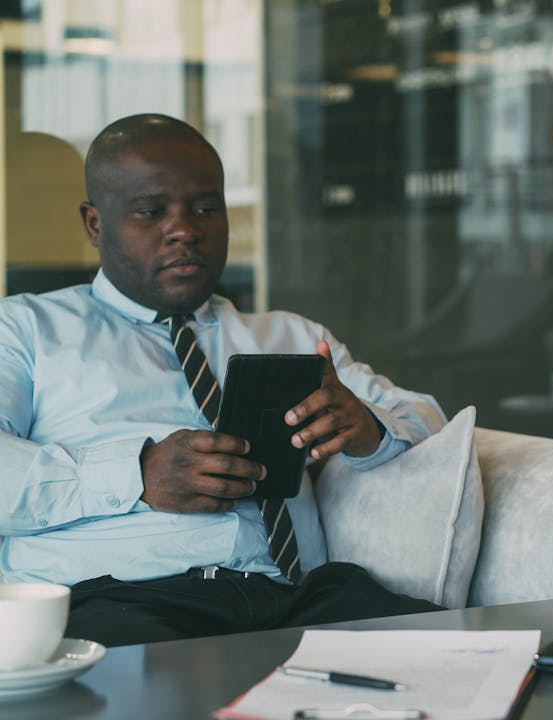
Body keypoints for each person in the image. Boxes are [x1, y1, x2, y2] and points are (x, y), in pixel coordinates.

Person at [0, 114, 448, 646]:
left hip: (292, 596)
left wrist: (367, 428)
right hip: (117, 598)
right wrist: (135, 475)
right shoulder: (25, 330)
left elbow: (426, 420)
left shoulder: (293, 337)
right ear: (95, 224)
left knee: (454, 651)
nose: (186, 229)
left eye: (206, 208)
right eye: (151, 211)